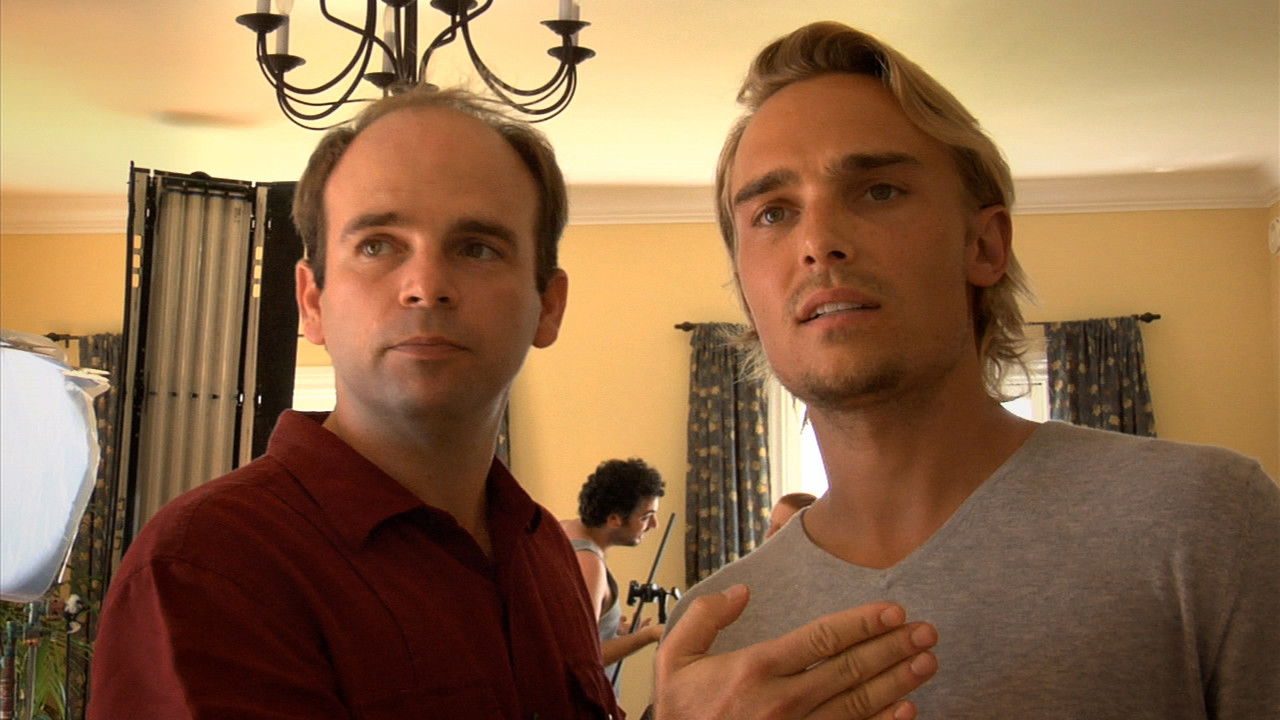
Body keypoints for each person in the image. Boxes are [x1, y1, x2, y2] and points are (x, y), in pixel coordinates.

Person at [90, 84, 939, 720]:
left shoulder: (540, 556)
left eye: (477, 247)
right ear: (312, 302)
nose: (425, 285)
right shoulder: (209, 570)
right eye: (378, 245)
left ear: (549, 306)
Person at [663, 20, 1280, 719]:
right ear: (746, 289)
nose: (819, 242)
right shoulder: (710, 642)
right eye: (774, 213)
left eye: (879, 191)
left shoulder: (1207, 522)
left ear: (984, 245)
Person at [560, 458, 666, 691]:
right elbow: (581, 657)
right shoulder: (588, 563)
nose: (654, 525)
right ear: (614, 519)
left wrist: (614, 632)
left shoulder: (563, 530)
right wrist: (648, 636)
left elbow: (568, 628)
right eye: (646, 517)